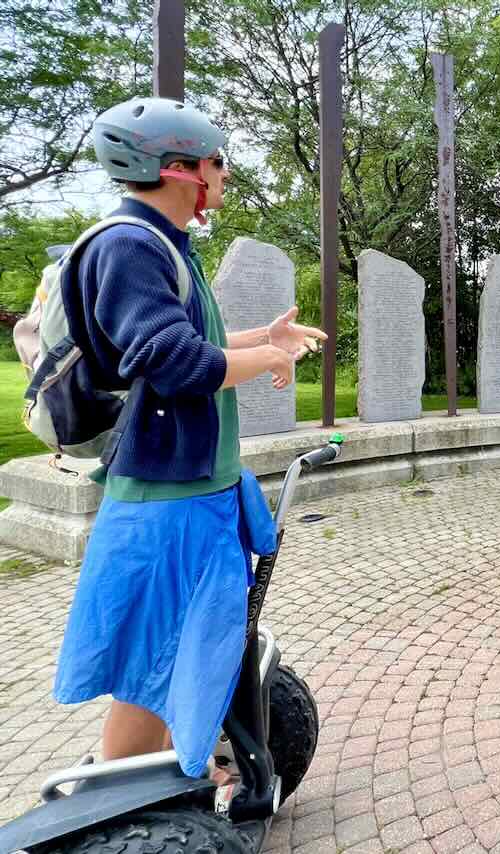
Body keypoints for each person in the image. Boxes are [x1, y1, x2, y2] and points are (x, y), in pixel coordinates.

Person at [50, 97, 326, 779]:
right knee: (158, 654)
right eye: (217, 162)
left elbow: (187, 345)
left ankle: (170, 766)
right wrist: (269, 363)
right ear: (178, 169)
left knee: (183, 645)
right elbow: (173, 364)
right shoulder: (128, 246)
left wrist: (264, 338)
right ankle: (108, 794)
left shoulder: (163, 244)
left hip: (195, 485)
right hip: (166, 493)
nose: (225, 175)